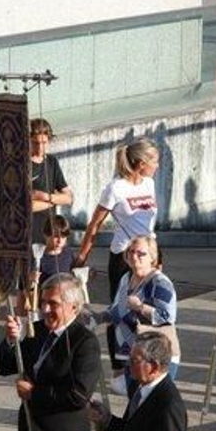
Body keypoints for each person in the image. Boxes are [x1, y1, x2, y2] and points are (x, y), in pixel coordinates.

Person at [0, 274, 99, 431]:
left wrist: (35, 393)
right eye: (43, 302)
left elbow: (79, 394)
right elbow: (6, 366)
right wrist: (11, 341)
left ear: (73, 306)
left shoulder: (84, 342)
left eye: (53, 304)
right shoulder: (38, 331)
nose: (45, 309)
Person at [74, 137, 159, 332]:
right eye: (154, 161)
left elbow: (149, 225)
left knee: (146, 309)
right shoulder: (115, 188)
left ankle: (141, 349)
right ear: (141, 164)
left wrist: (157, 256)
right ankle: (117, 352)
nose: (157, 165)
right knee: (120, 310)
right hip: (124, 255)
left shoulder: (149, 184)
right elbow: (95, 224)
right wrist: (82, 256)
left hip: (148, 254)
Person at [102, 236, 179, 385]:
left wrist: (140, 307)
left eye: (140, 253)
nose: (134, 256)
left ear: (152, 257)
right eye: (131, 252)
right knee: (135, 397)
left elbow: (168, 317)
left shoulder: (160, 282)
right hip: (131, 353)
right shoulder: (126, 278)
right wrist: (97, 317)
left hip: (155, 356)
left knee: (152, 397)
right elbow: (116, 310)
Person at [28, 119, 73, 256]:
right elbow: (26, 206)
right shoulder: (22, 165)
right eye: (35, 143)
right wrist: (54, 200)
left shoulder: (52, 162)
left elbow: (68, 198)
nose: (40, 148)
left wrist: (44, 196)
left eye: (44, 143)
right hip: (28, 233)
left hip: (49, 234)